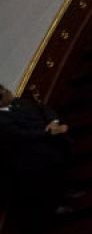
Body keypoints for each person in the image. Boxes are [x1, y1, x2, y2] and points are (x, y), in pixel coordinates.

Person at [0, 83, 74, 220]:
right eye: (5, 92)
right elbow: (22, 135)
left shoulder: (19, 102)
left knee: (59, 168)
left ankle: (66, 191)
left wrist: (54, 121)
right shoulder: (1, 121)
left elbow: (43, 108)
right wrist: (51, 132)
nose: (9, 92)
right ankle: (54, 206)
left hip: (49, 142)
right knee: (45, 183)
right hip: (30, 155)